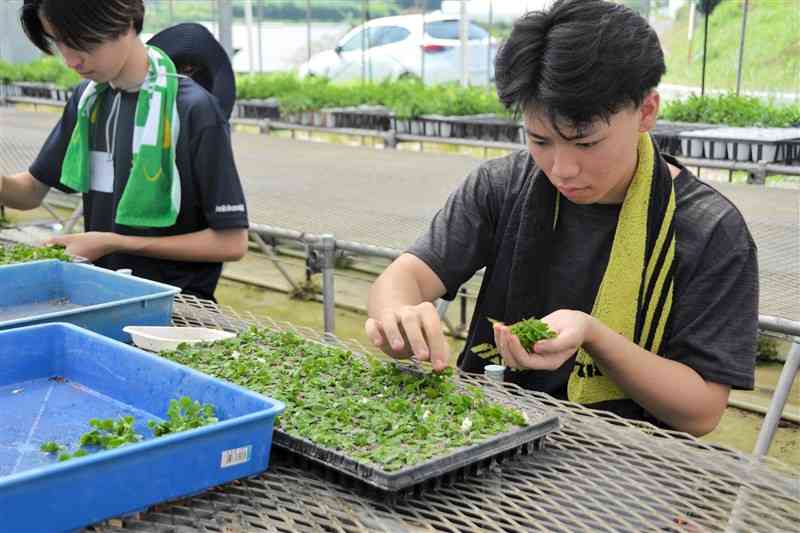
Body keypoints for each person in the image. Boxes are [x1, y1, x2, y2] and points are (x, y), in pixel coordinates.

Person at [365, 0, 757, 436]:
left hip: (628, 464)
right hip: (484, 433)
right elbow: (404, 278)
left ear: (646, 111)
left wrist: (595, 336)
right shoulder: (503, 186)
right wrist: (399, 314)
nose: (562, 169)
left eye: (585, 143)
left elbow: (700, 411)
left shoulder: (709, 229)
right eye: (540, 140)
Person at [0, 0, 249, 301]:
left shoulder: (193, 109)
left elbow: (231, 242)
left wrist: (115, 243)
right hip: (101, 295)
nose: (71, 60)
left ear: (125, 20)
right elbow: (29, 192)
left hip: (178, 309)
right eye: (60, 42)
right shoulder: (87, 101)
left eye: (83, 41)